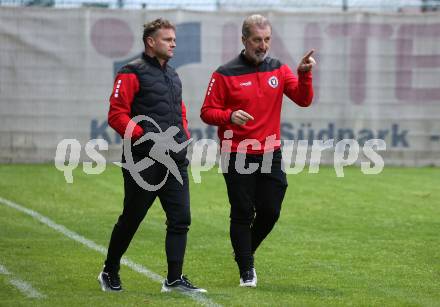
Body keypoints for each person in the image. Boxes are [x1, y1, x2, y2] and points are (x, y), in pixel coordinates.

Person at [200, 14, 315, 287]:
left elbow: (303, 99)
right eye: (256, 40)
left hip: (270, 152)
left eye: (266, 40)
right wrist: (228, 116)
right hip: (237, 152)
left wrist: (304, 74)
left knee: (271, 210)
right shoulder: (224, 73)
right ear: (244, 40)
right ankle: (246, 269)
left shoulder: (279, 69)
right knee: (242, 211)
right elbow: (207, 112)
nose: (262, 45)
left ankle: (244, 251)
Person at [98, 18, 206, 293]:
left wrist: (183, 134)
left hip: (174, 160)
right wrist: (142, 136)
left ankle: (174, 279)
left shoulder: (173, 75)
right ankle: (109, 271)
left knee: (181, 218)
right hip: (142, 162)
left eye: (174, 39)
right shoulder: (131, 72)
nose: (174, 44)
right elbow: (116, 115)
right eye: (167, 39)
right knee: (132, 217)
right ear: (150, 42)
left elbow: (178, 109)